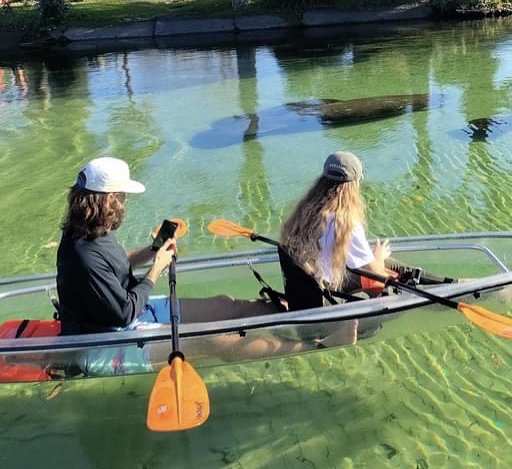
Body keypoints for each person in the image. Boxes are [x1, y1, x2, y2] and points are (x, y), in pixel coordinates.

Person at [56, 156, 357, 376]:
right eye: (120, 197)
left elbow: (118, 265)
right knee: (214, 341)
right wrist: (157, 269)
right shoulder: (83, 255)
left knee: (227, 305)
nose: (123, 203)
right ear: (107, 200)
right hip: (105, 343)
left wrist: (152, 251)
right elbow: (122, 312)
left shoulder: (91, 232)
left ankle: (301, 322)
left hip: (131, 314)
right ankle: (319, 345)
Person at [280, 151, 454, 311]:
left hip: (310, 292)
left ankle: (448, 283)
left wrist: (375, 259)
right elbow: (377, 277)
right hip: (327, 303)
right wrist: (377, 256)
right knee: (384, 267)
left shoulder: (302, 214)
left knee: (385, 263)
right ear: (354, 184)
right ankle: (447, 291)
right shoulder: (345, 222)